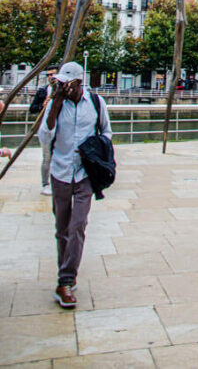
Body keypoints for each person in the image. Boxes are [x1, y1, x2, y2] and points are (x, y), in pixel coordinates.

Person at [38, 61, 112, 309]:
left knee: (78, 225)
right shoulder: (56, 104)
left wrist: (95, 153)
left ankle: (66, 280)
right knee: (62, 228)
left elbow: (106, 133)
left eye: (68, 82)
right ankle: (66, 274)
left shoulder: (96, 103)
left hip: (84, 174)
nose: (64, 86)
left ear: (80, 82)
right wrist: (55, 105)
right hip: (60, 171)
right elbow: (44, 137)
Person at [30, 67, 58, 195]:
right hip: (46, 129)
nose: (50, 76)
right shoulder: (42, 91)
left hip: (61, 128)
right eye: (48, 74)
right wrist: (43, 105)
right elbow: (32, 108)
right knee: (47, 157)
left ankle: (58, 182)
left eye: (52, 74)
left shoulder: (64, 91)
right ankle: (46, 184)